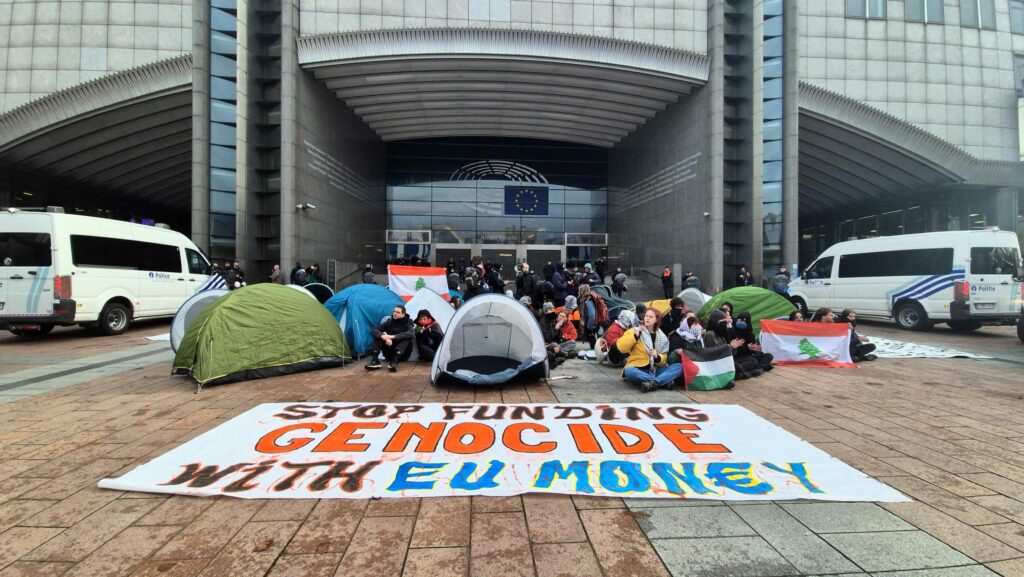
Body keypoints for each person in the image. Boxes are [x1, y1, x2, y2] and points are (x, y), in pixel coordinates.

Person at [616, 308, 680, 393]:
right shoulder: (634, 331)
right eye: (646, 316)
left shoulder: (662, 337)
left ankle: (652, 383)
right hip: (638, 369)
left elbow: (664, 358)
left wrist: (657, 356)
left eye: (651, 317)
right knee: (629, 371)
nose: (647, 318)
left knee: (679, 366)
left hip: (655, 369)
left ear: (656, 320)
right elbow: (621, 347)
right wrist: (635, 336)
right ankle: (662, 382)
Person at [366, 305, 414, 371]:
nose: (395, 313)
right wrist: (384, 337)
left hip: (402, 355)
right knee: (378, 335)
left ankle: (395, 362)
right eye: (394, 311)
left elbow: (411, 333)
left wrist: (392, 337)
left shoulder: (408, 322)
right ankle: (375, 360)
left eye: (398, 312)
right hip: (389, 353)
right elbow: (375, 329)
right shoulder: (390, 321)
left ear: (403, 314)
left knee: (406, 337)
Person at [577, 284, 598, 349]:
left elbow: (592, 315)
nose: (578, 292)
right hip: (589, 322)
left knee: (591, 336)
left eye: (579, 290)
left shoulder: (588, 301)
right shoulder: (585, 300)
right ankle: (593, 349)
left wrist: (589, 326)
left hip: (590, 323)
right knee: (590, 336)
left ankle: (594, 350)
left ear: (583, 291)